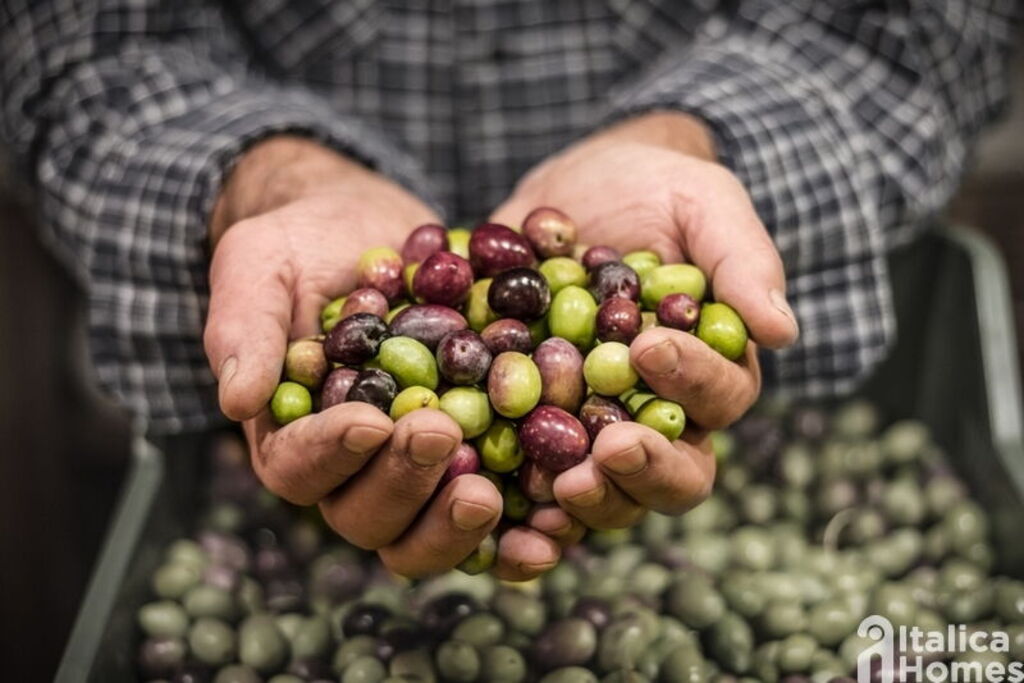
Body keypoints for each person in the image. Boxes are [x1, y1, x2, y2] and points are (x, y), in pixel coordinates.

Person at [1, 0, 1018, 579]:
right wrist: (263, 179)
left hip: (744, 298)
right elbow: (67, 38)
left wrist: (688, 138)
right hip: (204, 321)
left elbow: (939, 22)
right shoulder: (450, 333)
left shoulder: (575, 334)